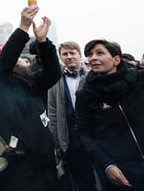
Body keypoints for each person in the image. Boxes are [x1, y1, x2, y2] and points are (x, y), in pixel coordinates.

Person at [76, 0, 144, 191]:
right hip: (125, 175)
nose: (93, 58)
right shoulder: (86, 94)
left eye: (99, 53)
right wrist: (107, 164)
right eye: (90, 55)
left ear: (116, 59)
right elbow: (85, 134)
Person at [0, 5, 62, 191]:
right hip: (10, 163)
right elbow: (4, 65)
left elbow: (53, 73)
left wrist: (43, 42)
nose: (13, 62)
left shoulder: (27, 79)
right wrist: (23, 28)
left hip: (41, 159)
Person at [47, 41, 97, 190]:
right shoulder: (55, 80)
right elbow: (53, 112)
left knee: (104, 172)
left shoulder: (93, 76)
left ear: (80, 55)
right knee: (81, 179)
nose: (69, 57)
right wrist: (57, 142)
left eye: (72, 53)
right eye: (65, 54)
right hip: (70, 136)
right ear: (61, 58)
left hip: (95, 133)